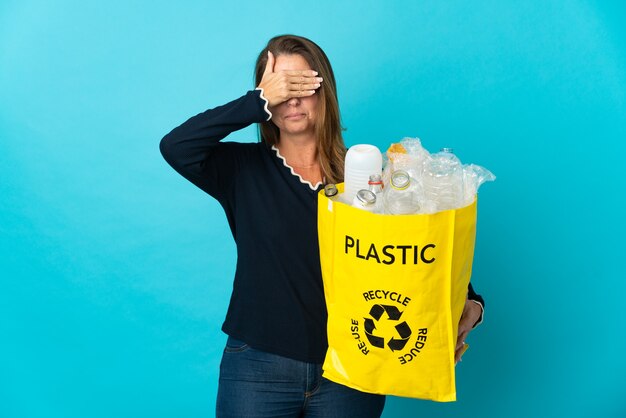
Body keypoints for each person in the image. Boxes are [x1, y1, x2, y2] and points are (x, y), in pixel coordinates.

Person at [160, 34, 484, 418]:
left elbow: (412, 253)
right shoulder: (240, 169)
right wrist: (256, 101)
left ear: (324, 91)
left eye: (302, 85)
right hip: (259, 367)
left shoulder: (369, 175)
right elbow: (176, 146)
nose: (291, 100)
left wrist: (473, 303)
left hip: (353, 367)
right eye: (279, 88)